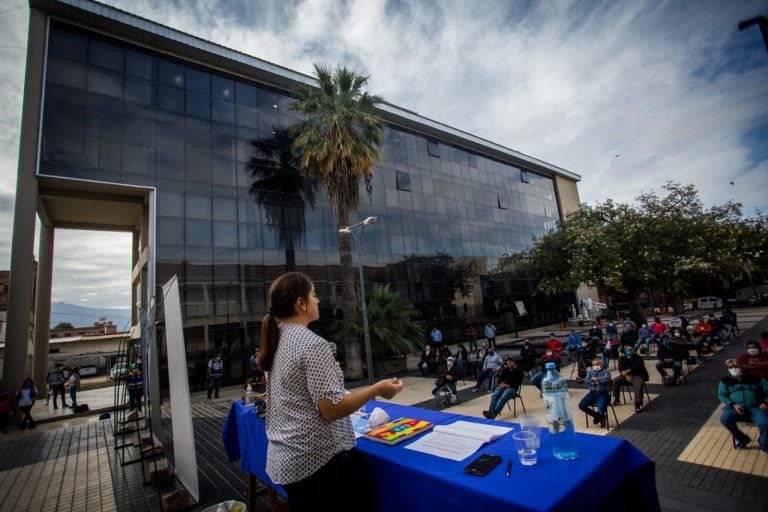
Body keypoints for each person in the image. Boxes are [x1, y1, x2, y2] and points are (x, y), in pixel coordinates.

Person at [259, 271, 404, 510]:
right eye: (314, 294)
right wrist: (376, 389)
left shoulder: (276, 341)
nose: (318, 300)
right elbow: (331, 410)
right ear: (300, 303)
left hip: (287, 462)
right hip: (317, 465)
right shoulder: (312, 344)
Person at [717, 359, 768, 451]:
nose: (734, 369)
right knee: (724, 419)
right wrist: (733, 404)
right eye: (730, 367)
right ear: (727, 369)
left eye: (736, 366)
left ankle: (763, 443)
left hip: (755, 407)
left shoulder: (755, 379)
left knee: (765, 423)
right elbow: (722, 395)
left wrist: (766, 402)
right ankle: (743, 439)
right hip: (734, 407)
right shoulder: (725, 381)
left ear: (742, 367)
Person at [611, 346, 649, 412]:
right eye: (627, 349)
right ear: (624, 351)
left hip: (638, 375)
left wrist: (628, 371)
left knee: (638, 385)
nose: (628, 350)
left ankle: (638, 403)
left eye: (630, 349)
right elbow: (620, 368)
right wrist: (626, 375)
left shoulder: (638, 358)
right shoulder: (622, 358)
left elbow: (637, 367)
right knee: (615, 381)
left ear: (633, 350)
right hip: (626, 376)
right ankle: (617, 399)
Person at [578, 358, 612, 427]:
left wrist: (597, 379)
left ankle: (600, 416)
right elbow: (587, 381)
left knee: (601, 408)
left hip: (603, 393)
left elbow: (606, 379)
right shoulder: (590, 372)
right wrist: (594, 381)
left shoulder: (606, 371)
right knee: (581, 405)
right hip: (592, 393)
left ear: (601, 364)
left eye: (597, 364)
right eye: (593, 365)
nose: (595, 366)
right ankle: (599, 417)